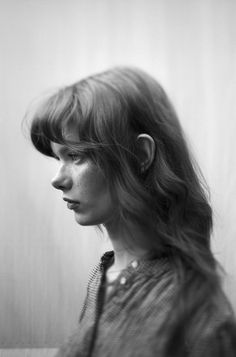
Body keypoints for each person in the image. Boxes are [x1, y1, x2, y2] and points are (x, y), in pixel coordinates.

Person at [29, 67, 236, 356]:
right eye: (58, 157)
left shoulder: (199, 317)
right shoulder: (105, 275)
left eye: (75, 155)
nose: (57, 179)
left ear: (140, 155)